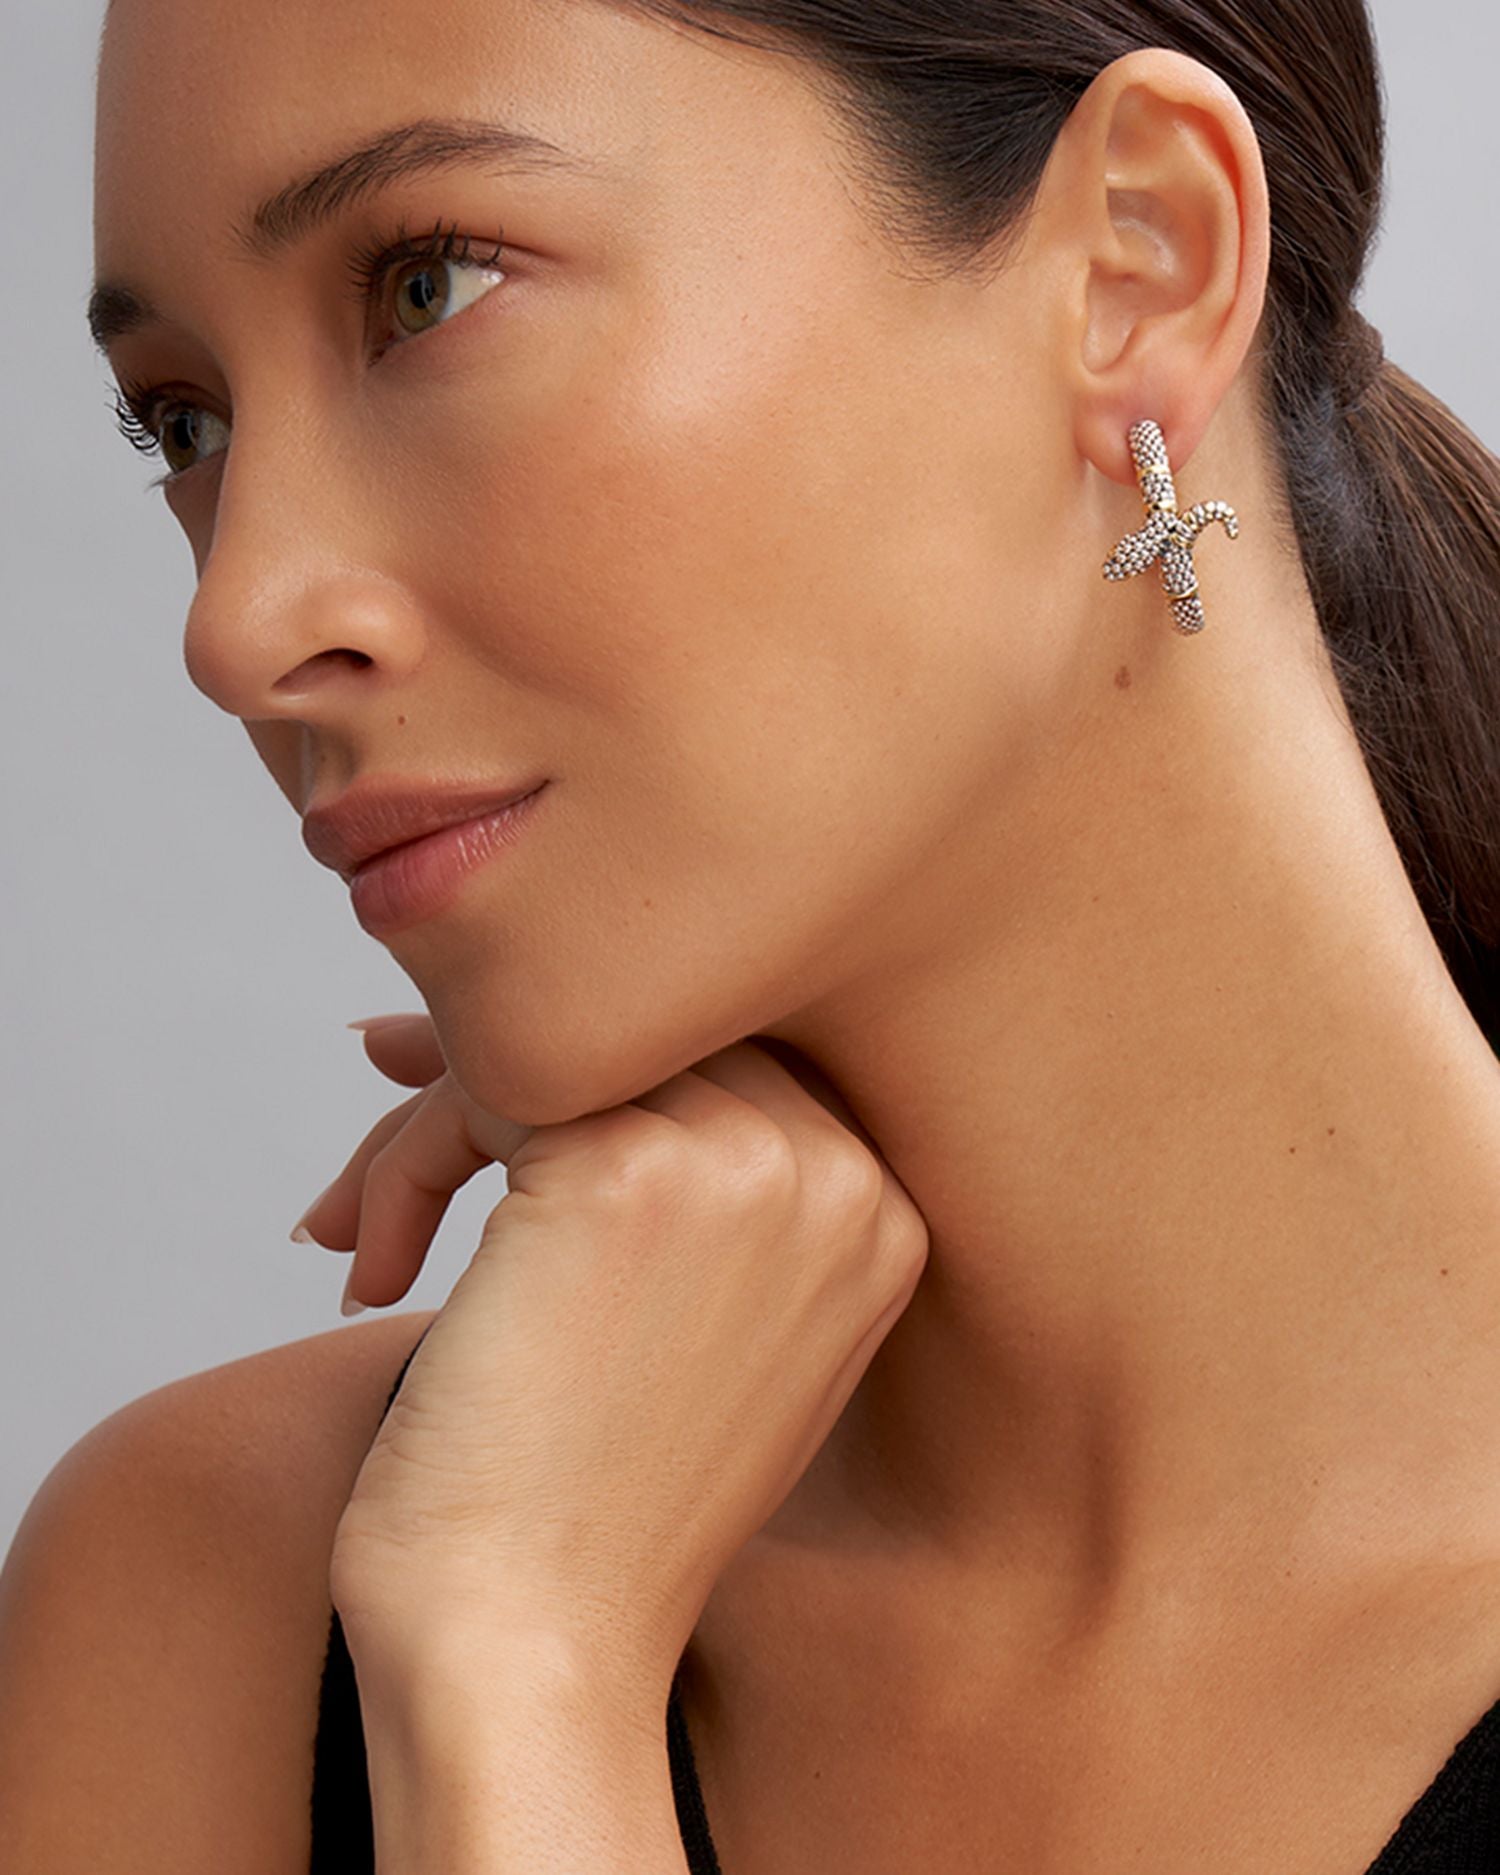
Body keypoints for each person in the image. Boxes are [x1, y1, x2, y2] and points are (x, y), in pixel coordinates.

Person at [3, 0, 1499, 1867]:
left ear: (1138, 262)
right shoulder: (207, 1608)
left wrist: (527, 1684)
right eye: (186, 420)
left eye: (427, 291)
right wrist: (506, 1639)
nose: (237, 622)